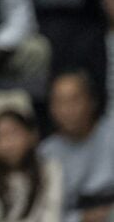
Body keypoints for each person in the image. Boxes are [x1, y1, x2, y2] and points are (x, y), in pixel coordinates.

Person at [39, 70, 114, 222]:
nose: (67, 110)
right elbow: (47, 212)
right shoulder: (46, 152)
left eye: (74, 100)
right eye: (59, 102)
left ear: (92, 101)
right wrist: (81, 217)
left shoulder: (111, 133)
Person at [0, 109, 63, 222]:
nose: (8, 143)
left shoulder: (50, 170)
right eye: (0, 136)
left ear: (31, 136)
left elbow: (52, 216)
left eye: (13, 133)